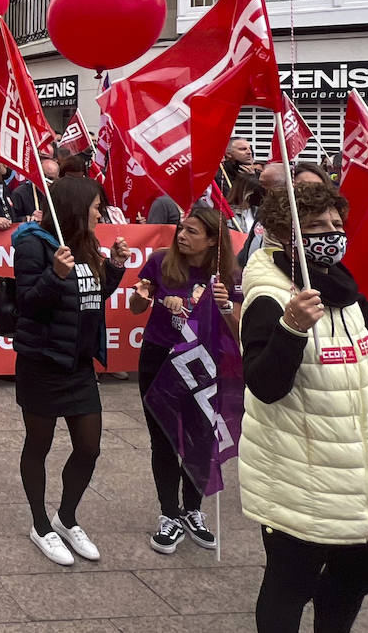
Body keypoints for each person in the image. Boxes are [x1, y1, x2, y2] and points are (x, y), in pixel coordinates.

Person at [240, 181, 368, 632]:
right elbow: (264, 385)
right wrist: (291, 328)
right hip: (299, 477)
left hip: (350, 475)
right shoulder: (270, 295)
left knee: (359, 576)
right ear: (287, 233)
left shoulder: (337, 283)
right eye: (317, 226)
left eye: (337, 224)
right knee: (290, 587)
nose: (331, 233)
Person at [10, 177, 129, 566]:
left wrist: (113, 268)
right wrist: (53, 275)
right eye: (96, 206)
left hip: (79, 365)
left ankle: (67, 517)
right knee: (39, 445)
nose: (100, 212)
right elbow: (27, 305)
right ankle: (41, 524)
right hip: (42, 363)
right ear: (76, 208)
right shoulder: (32, 245)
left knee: (89, 447)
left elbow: (92, 295)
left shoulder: (87, 244)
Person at [128, 206, 239, 554]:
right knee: (161, 438)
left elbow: (239, 332)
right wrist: (140, 297)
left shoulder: (227, 275)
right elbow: (135, 306)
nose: (182, 236)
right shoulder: (161, 261)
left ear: (212, 240)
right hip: (159, 358)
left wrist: (225, 307)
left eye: (192, 231)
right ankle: (168, 514)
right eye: (181, 229)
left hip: (204, 363)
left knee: (200, 438)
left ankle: (193, 511)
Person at [12, 153, 57, 223]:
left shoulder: (61, 194)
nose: (46, 181)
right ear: (37, 174)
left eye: (50, 178)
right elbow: (12, 220)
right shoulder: (20, 194)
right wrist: (28, 219)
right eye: (43, 176)